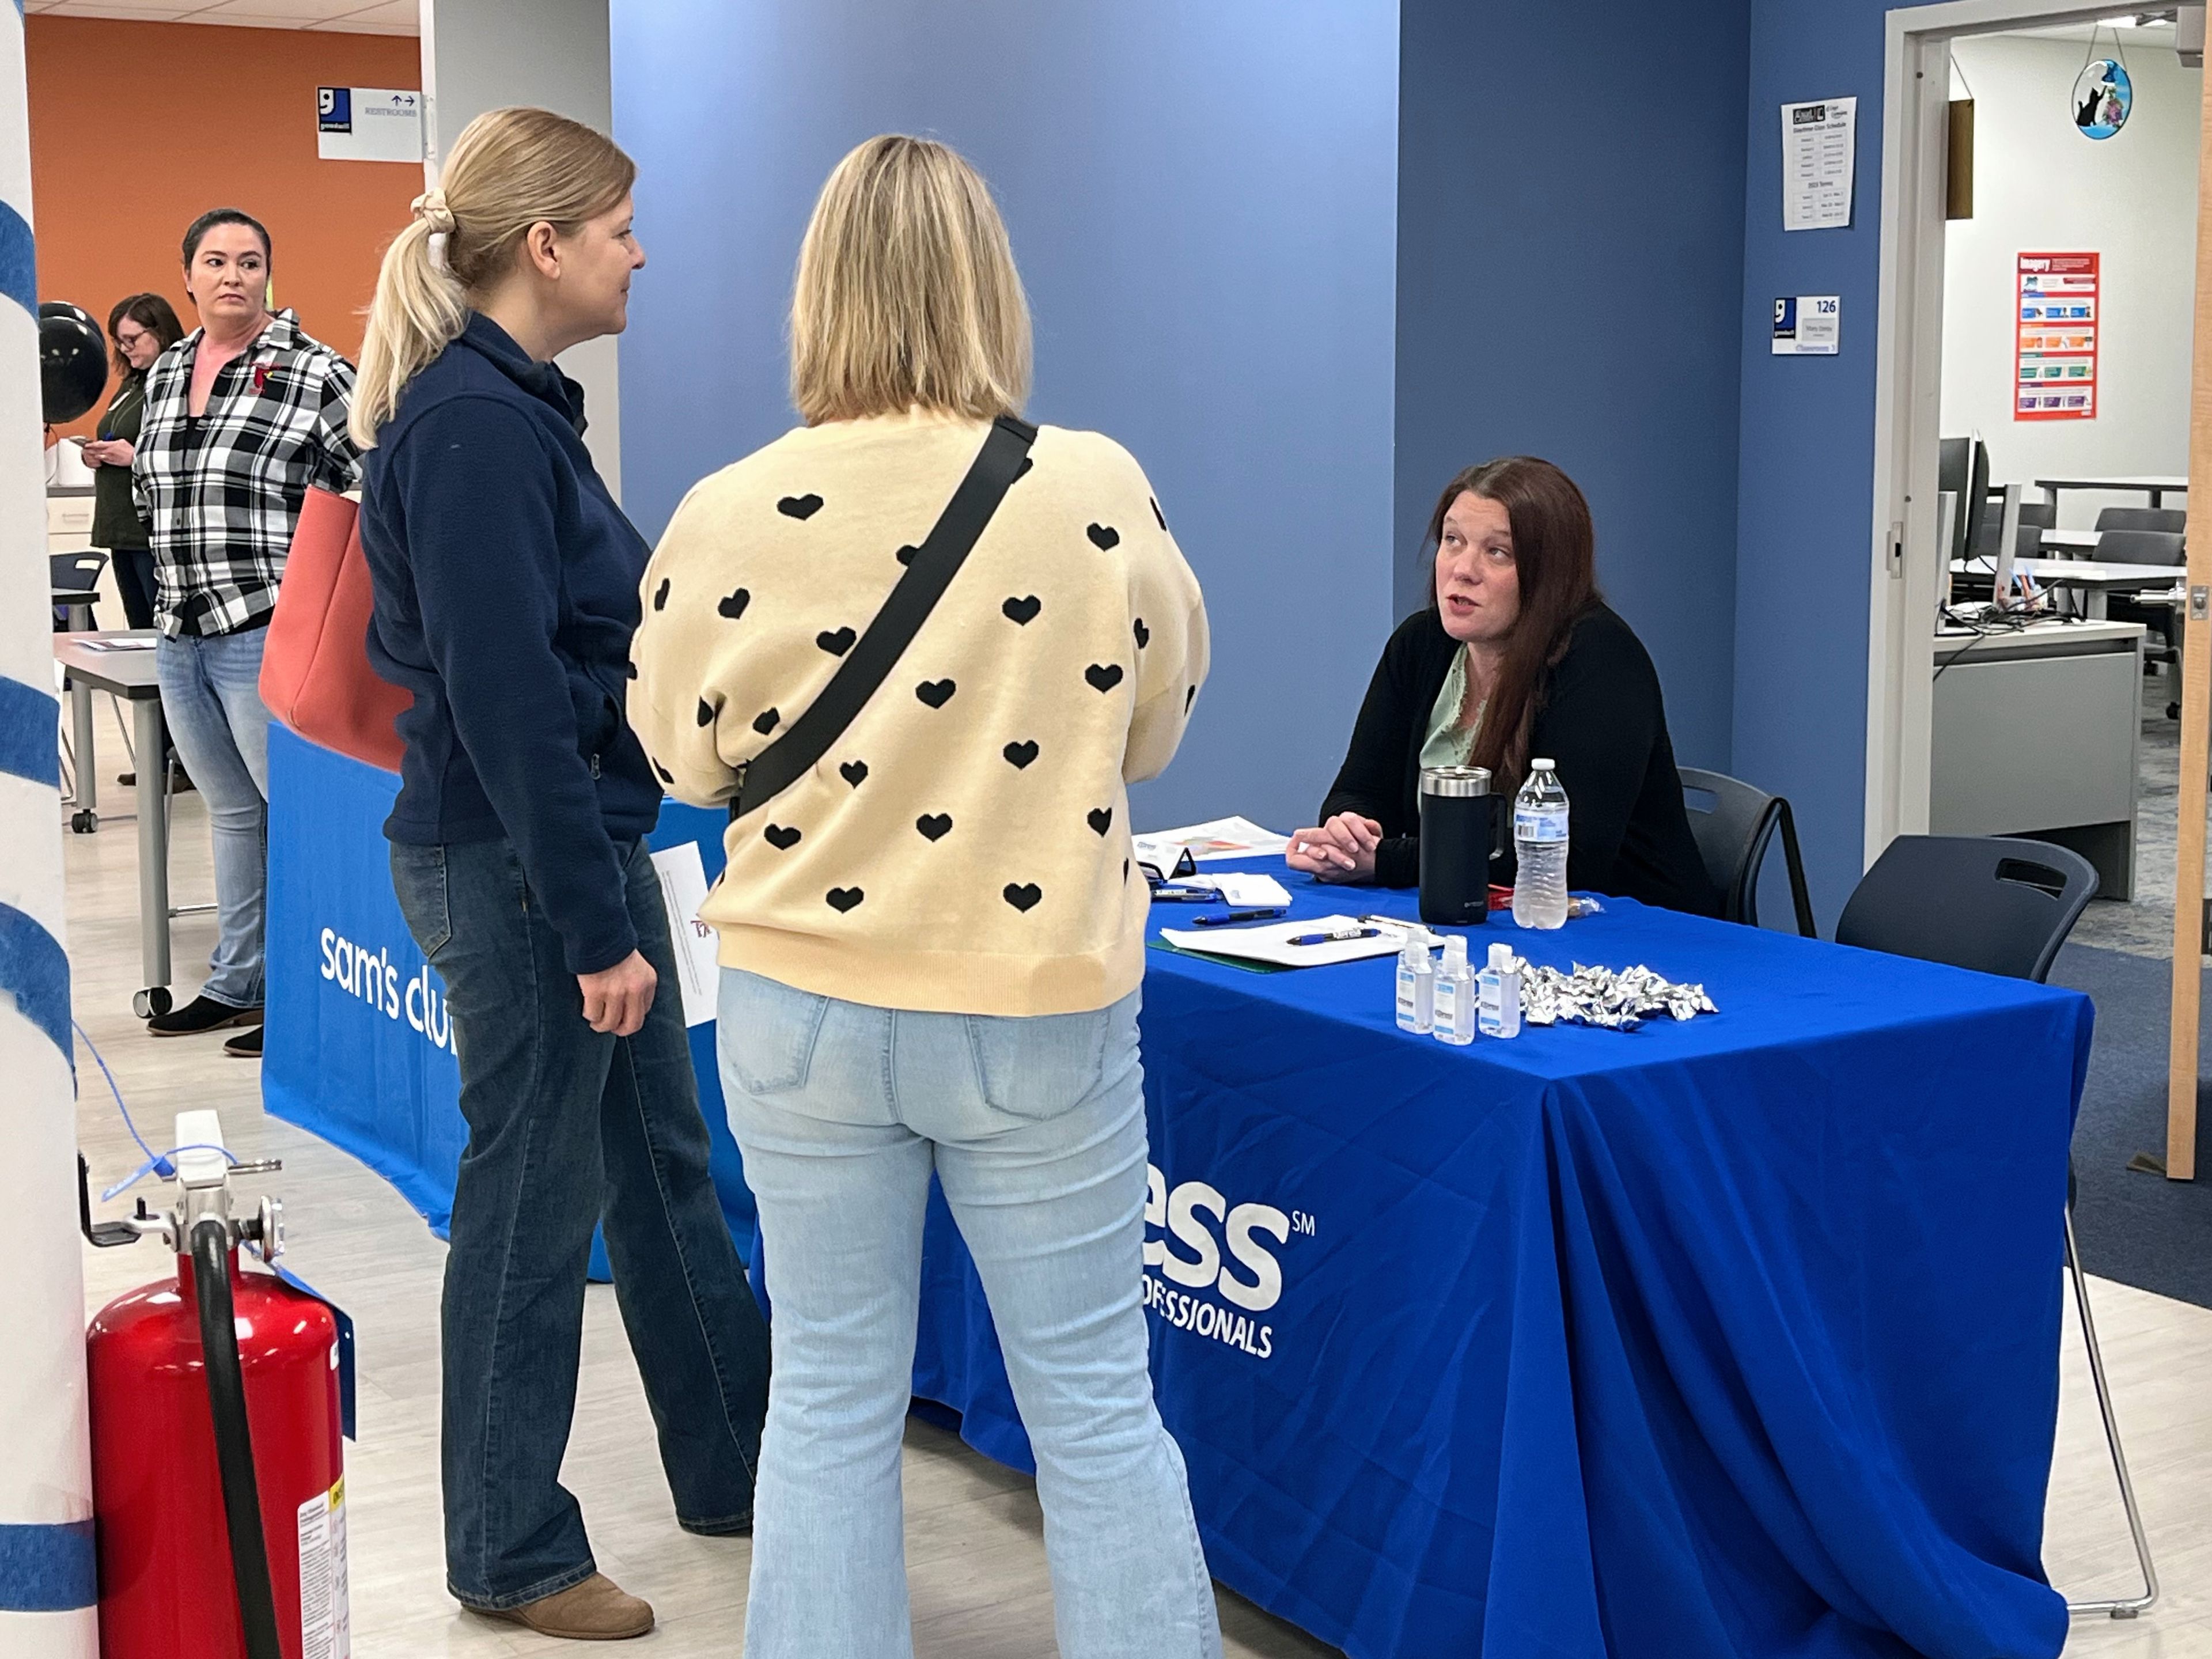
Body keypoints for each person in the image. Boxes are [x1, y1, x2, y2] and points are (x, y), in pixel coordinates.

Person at [630, 135, 1219, 1659]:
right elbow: (1153, 720)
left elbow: (680, 760)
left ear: (818, 294)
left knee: (826, 1402)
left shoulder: (729, 507)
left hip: (801, 999)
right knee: (1094, 1408)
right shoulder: (1093, 487)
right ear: (990, 288)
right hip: (1032, 1000)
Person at [353, 107, 772, 1645]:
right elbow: (507, 701)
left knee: (662, 1170)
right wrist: (596, 926)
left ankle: (739, 1461)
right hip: (526, 868)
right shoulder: (472, 427)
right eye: (619, 228)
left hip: (578, 853)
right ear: (547, 245)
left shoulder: (516, 412)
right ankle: (512, 1551)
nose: (640, 251)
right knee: (536, 1209)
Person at [1290, 456, 1718, 915]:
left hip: (1631, 938)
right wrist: (1351, 833)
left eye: (1497, 552)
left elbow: (1565, 859)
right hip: (1467, 919)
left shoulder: (1601, 659)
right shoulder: (1420, 645)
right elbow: (1359, 787)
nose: (1462, 569)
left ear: (1548, 573)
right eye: (1452, 540)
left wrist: (1386, 861)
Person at [132, 210, 362, 1055]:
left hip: (264, 629)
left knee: (298, 816)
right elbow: (157, 500)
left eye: (251, 261)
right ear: (186, 276)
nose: (234, 275)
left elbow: (376, 480)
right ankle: (238, 984)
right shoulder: (164, 378)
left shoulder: (313, 370)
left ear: (270, 274)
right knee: (231, 814)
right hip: (179, 632)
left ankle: (311, 994)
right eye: (216, 261)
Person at [82, 293, 183, 632]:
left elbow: (186, 451)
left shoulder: (177, 382)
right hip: (119, 527)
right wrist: (93, 454)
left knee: (160, 630)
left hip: (150, 531)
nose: (126, 349)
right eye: (119, 342)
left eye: (132, 339)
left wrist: (135, 456)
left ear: (160, 332)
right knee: (138, 630)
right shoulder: (133, 383)